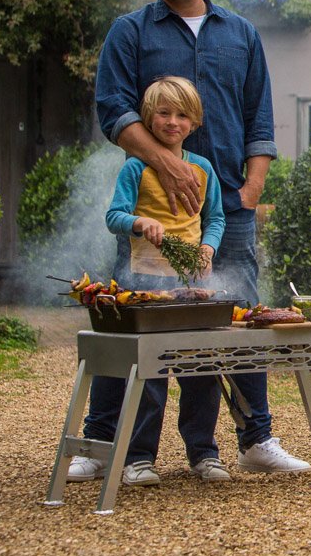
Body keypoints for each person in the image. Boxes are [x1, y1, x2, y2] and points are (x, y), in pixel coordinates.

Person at [89, 0, 310, 474]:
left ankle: (255, 440)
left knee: (233, 321)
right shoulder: (131, 32)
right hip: (151, 213)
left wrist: (250, 192)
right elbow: (112, 110)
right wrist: (168, 165)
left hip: (227, 211)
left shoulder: (241, 34)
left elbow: (260, 117)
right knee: (133, 322)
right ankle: (100, 445)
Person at [69, 76, 228, 486]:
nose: (172, 121)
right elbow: (114, 217)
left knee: (202, 368)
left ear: (194, 122)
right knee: (150, 374)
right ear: (148, 118)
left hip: (192, 286)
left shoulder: (203, 168)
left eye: (181, 115)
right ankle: (139, 458)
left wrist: (208, 249)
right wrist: (140, 222)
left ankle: (204, 452)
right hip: (145, 281)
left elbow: (216, 219)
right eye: (163, 113)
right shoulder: (135, 168)